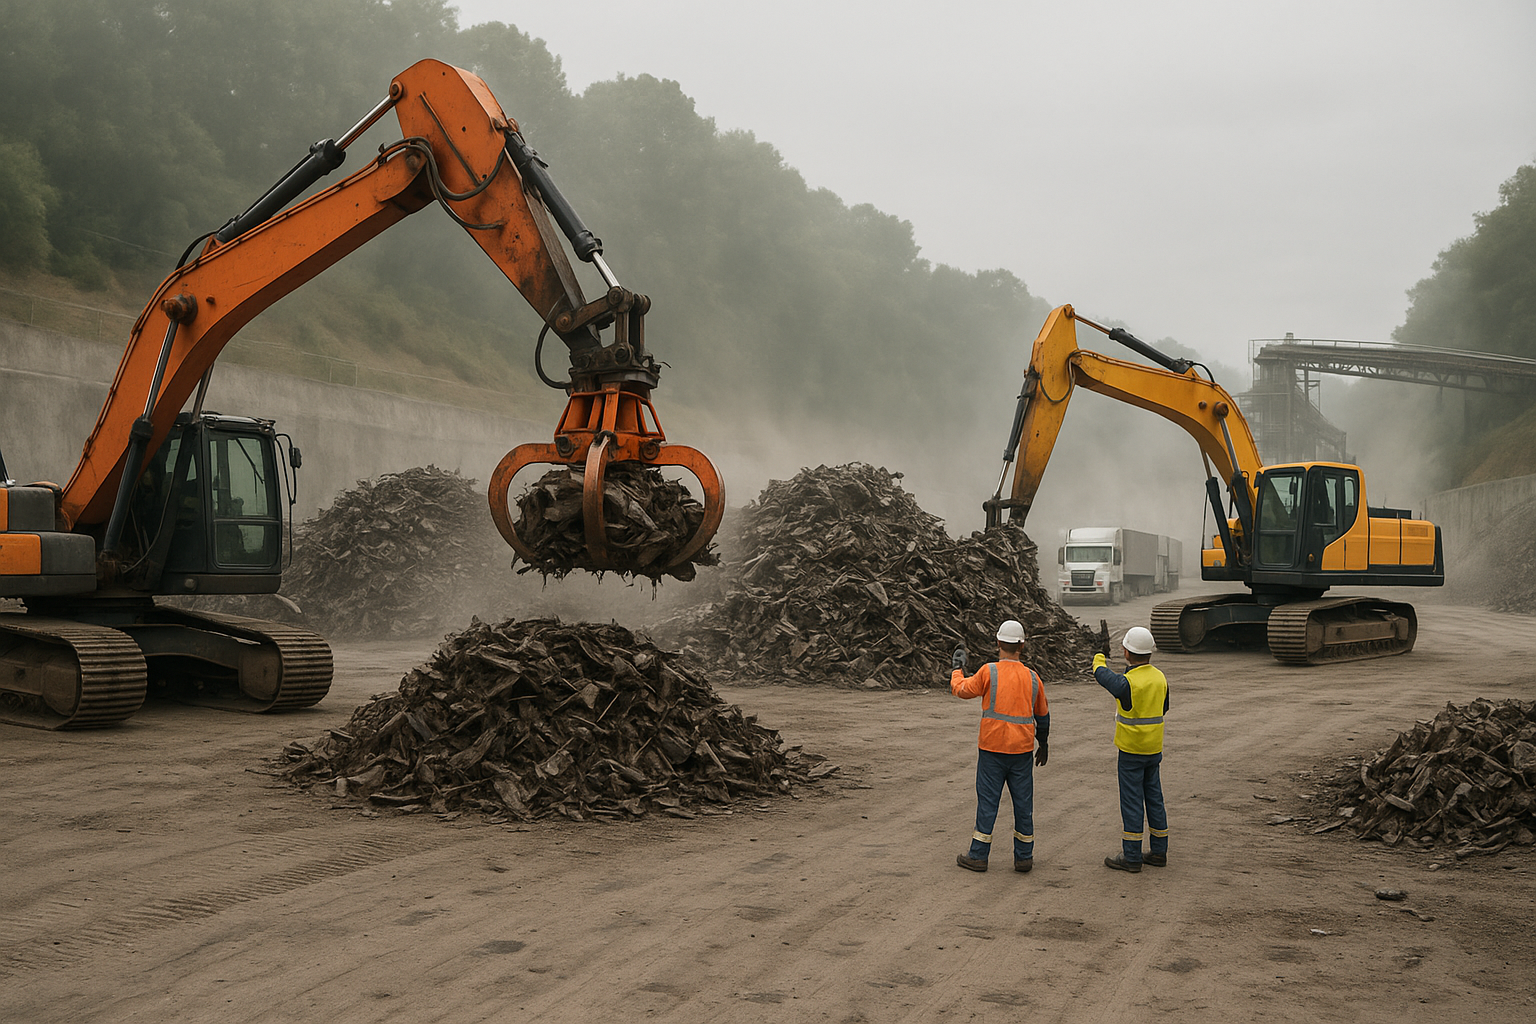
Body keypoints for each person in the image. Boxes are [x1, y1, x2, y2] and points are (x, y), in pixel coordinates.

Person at [949, 619, 1050, 873]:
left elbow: (962, 690)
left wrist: (957, 668)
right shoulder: (1033, 678)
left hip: (992, 750)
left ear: (998, 643)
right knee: (1023, 805)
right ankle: (1024, 857)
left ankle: (978, 856)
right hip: (1021, 752)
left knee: (987, 803)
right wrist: (1044, 743)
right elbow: (1043, 715)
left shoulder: (988, 672)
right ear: (1022, 646)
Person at [1092, 625, 1169, 872]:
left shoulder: (1127, 683)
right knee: (1154, 799)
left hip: (1131, 752)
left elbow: (1103, 676)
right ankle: (1159, 851)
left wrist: (1099, 657)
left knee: (1132, 802)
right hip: (1153, 749)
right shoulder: (1160, 678)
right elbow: (1164, 707)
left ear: (1126, 652)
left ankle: (1132, 857)